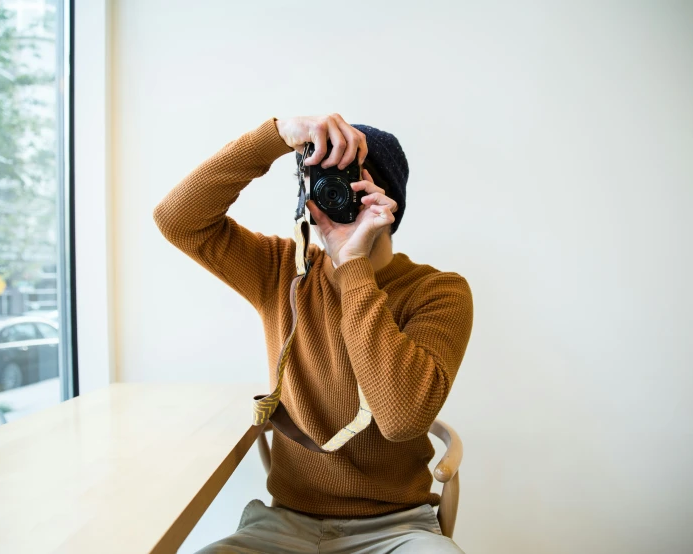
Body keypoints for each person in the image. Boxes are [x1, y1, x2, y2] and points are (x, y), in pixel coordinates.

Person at [153, 113, 473, 553]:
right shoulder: (280, 269)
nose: (331, 195)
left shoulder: (439, 291)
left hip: (396, 529)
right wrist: (276, 138)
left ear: (385, 198)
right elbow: (176, 220)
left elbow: (402, 420)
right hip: (285, 524)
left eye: (347, 180)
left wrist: (352, 265)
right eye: (319, 179)